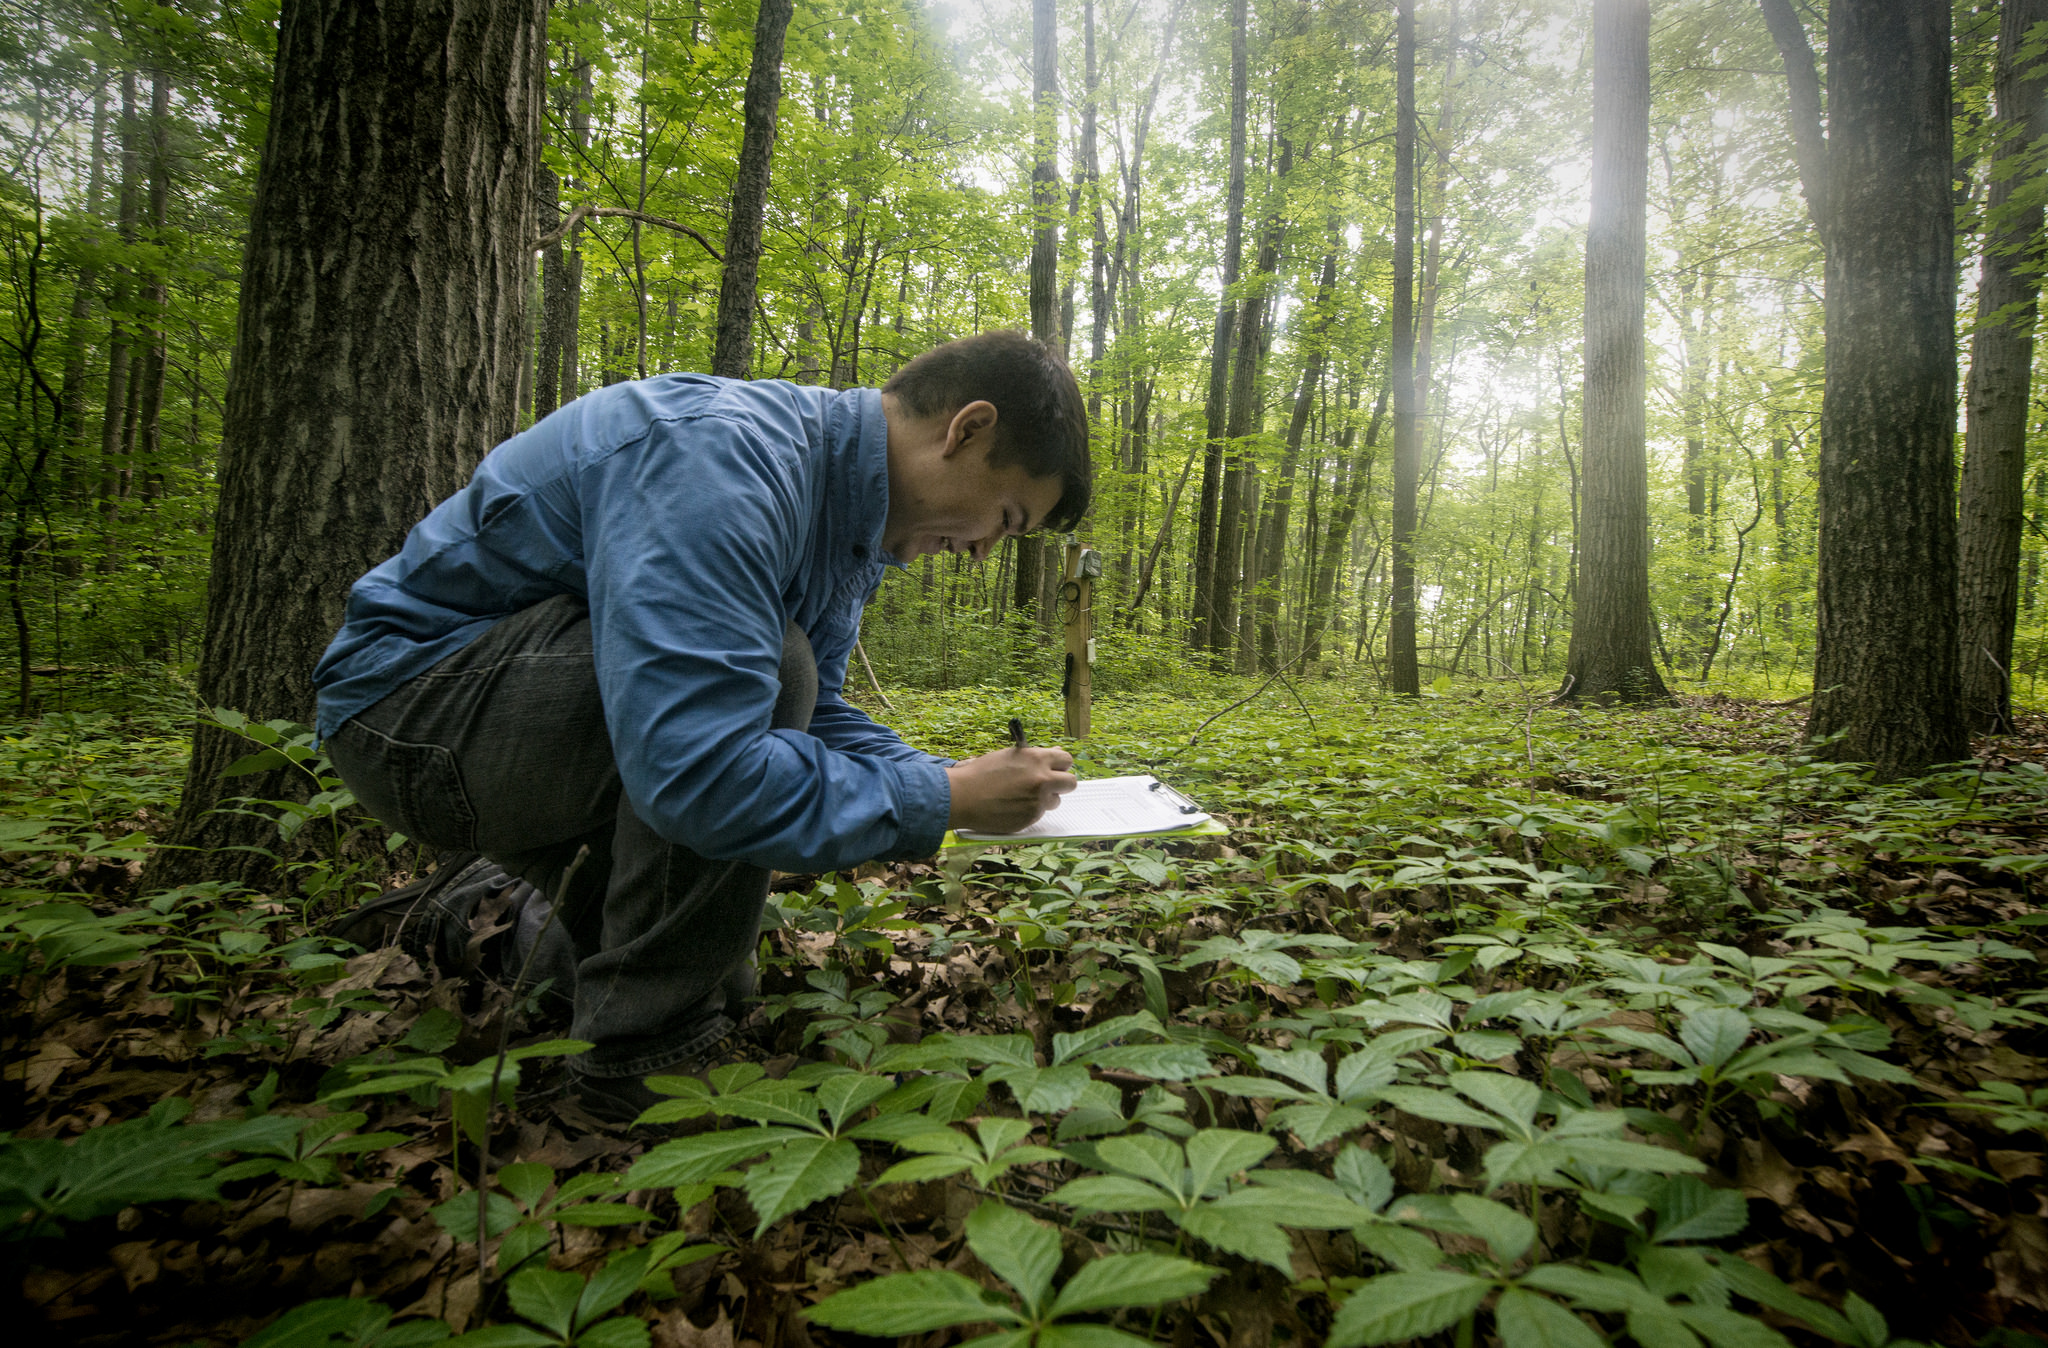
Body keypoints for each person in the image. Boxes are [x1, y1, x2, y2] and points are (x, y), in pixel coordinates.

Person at [313, 330, 1088, 1122]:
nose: (985, 551)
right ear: (967, 430)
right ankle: (638, 1069)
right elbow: (703, 772)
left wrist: (945, 775)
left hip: (526, 720)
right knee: (770, 673)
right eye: (1005, 517)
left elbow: (814, 713)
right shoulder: (726, 462)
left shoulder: (847, 513)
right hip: (409, 715)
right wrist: (942, 798)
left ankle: (472, 913)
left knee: (712, 974)